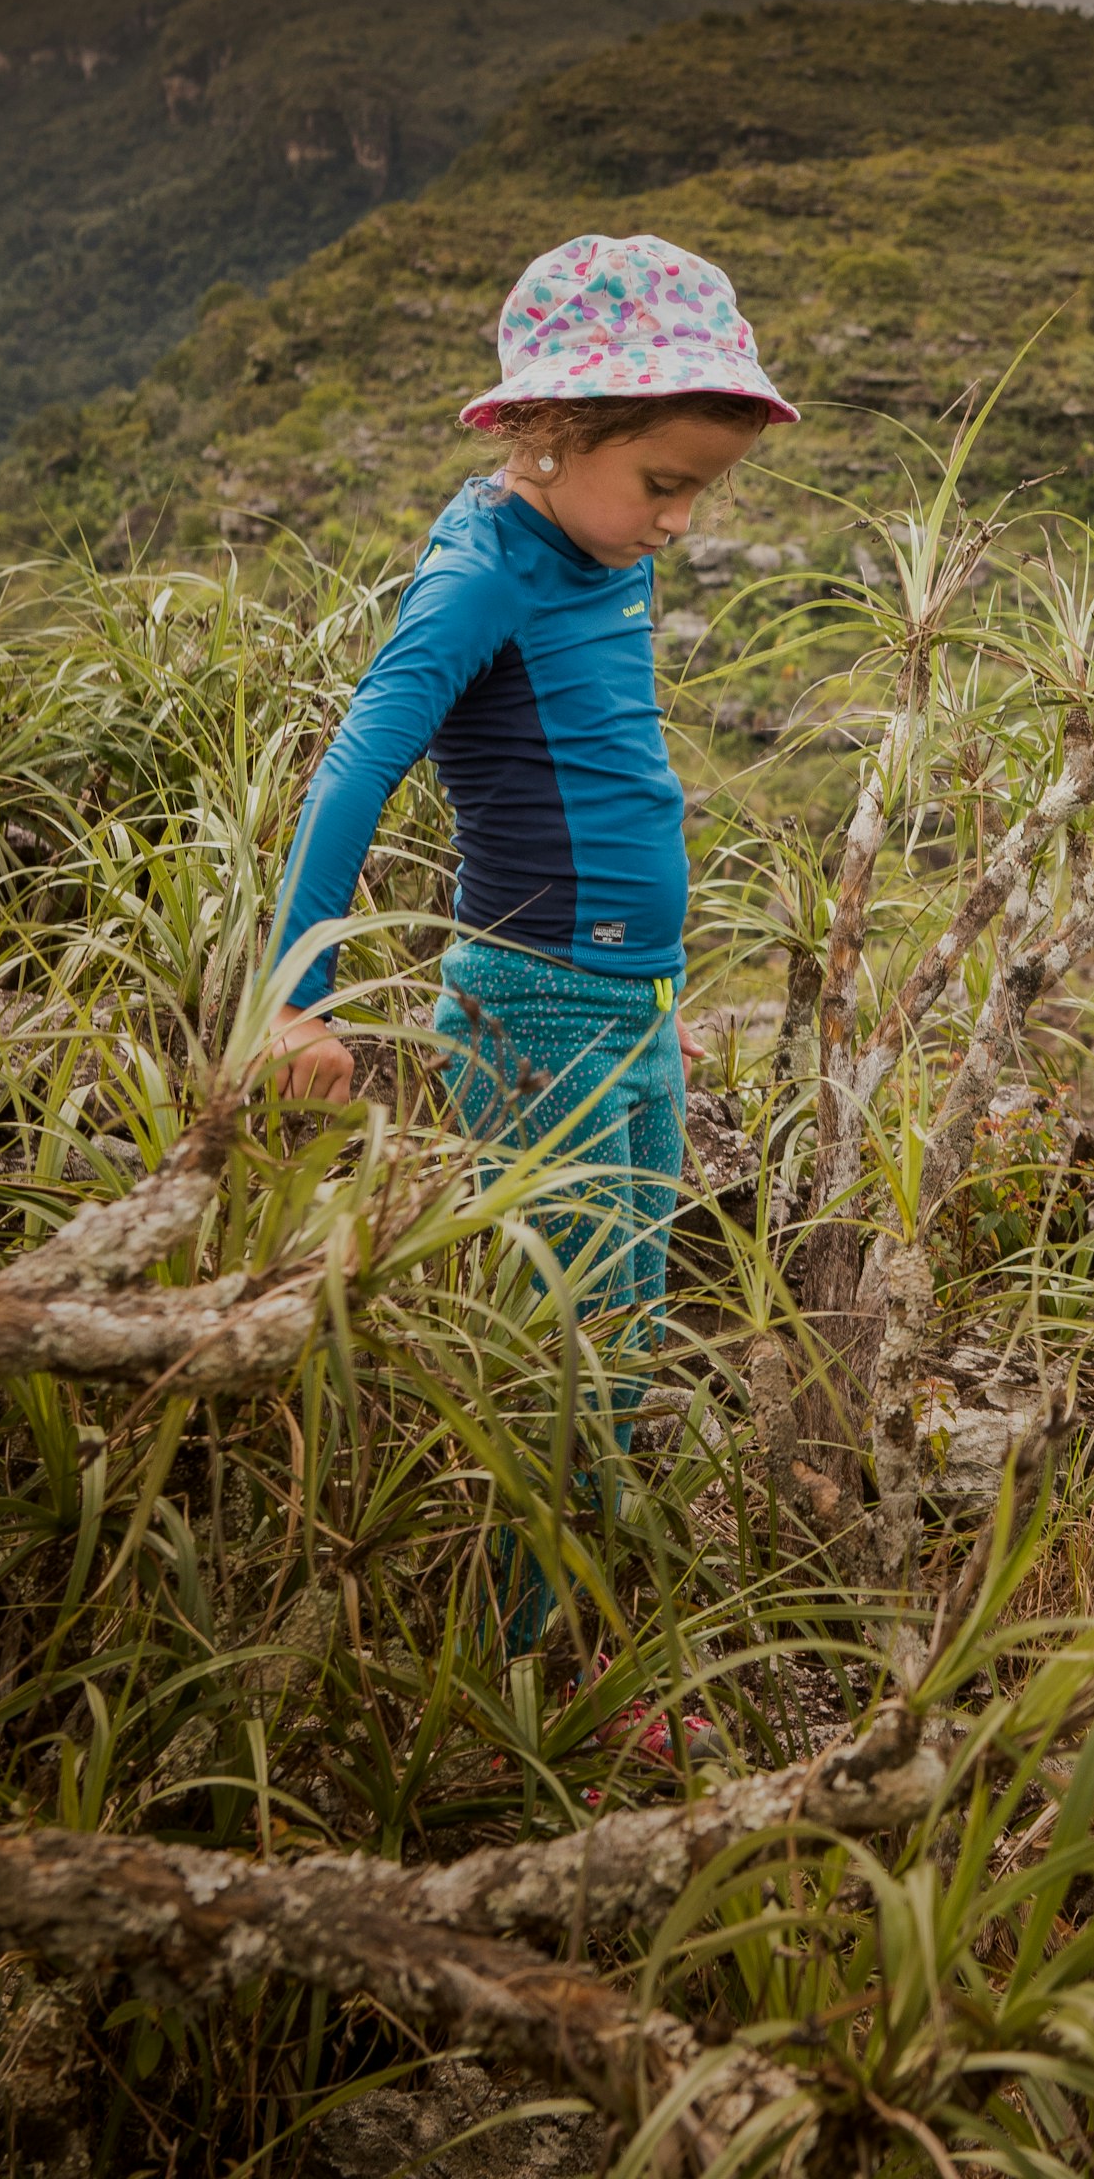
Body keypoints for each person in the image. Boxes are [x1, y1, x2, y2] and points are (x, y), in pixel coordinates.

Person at [260, 232, 791, 1659]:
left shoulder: (591, 540)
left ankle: (562, 1645)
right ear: (553, 434)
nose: (678, 522)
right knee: (564, 1359)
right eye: (664, 484)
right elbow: (353, 771)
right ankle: (510, 1681)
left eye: (702, 491)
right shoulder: (483, 576)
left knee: (620, 1347)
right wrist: (293, 1003)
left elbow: (603, 767)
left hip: (623, 1004)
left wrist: (653, 991)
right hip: (532, 1012)